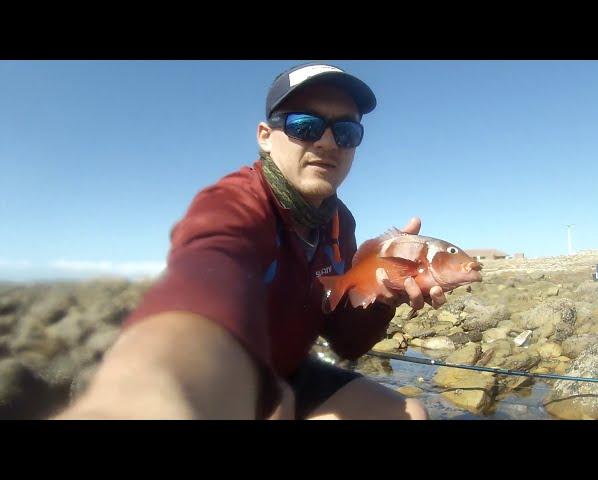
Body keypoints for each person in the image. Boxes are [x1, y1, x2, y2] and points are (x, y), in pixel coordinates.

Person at [54, 63, 447, 420]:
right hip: (228, 371)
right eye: (305, 125)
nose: (328, 143)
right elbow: (204, 279)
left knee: (410, 413)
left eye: (346, 131)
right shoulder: (234, 202)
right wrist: (147, 392)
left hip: (289, 370)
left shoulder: (339, 222)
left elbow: (345, 342)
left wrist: (382, 296)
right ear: (265, 136)